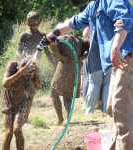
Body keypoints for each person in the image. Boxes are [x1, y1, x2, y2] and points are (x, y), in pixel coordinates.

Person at [41, 0, 133, 149]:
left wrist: (116, 46)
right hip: (119, 66)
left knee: (122, 115)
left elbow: (125, 19)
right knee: (112, 109)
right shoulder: (93, 7)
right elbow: (72, 23)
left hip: (126, 60)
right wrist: (53, 34)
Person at [2, 57, 41, 150]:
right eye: (28, 72)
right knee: (8, 133)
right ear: (19, 66)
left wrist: (35, 76)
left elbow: (38, 86)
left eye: (31, 72)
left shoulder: (33, 71)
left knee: (17, 130)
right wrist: (20, 73)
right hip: (9, 102)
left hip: (23, 103)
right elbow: (5, 83)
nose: (28, 75)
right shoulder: (12, 66)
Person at [48, 35, 89, 125]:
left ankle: (60, 119)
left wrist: (53, 48)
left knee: (53, 93)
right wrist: (80, 58)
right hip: (76, 67)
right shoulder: (80, 40)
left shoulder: (62, 40)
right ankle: (67, 118)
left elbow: (58, 56)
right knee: (68, 95)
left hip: (64, 68)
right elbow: (89, 50)